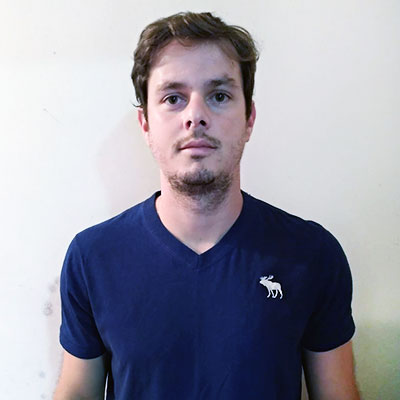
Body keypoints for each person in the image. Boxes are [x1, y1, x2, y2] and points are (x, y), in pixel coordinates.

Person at [54, 11, 360, 400]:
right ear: (145, 123)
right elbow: (77, 392)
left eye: (219, 96)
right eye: (173, 98)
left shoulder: (312, 255)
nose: (196, 116)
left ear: (249, 119)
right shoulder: (92, 257)